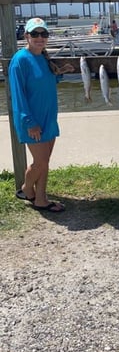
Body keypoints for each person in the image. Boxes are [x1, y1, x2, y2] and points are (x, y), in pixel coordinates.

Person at [8, 17, 74, 213]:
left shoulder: (44, 57)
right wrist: (29, 122)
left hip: (48, 118)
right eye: (35, 34)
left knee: (45, 162)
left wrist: (60, 73)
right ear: (26, 36)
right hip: (31, 121)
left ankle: (41, 198)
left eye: (43, 34)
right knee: (41, 162)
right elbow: (18, 95)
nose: (40, 38)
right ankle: (27, 188)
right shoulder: (20, 60)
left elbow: (45, 83)